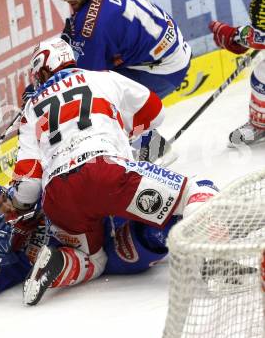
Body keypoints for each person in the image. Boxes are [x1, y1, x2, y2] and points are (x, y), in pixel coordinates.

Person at [11, 37, 217, 306]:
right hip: (105, 171)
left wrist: (19, 206)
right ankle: (213, 257)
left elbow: (27, 187)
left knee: (94, 261)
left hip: (58, 197)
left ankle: (58, 263)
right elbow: (155, 112)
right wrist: (120, 133)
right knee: (198, 190)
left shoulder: (30, 109)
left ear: (42, 69)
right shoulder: (102, 78)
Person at [52, 0, 192, 163]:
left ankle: (153, 147)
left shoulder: (96, 26)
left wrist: (51, 81)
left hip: (163, 68)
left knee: (100, 103)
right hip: (165, 48)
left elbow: (87, 81)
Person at [0, 181, 197, 300]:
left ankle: (215, 227)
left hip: (105, 219)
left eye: (3, 198)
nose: (6, 206)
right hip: (103, 254)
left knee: (169, 210)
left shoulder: (26, 194)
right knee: (154, 234)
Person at [209, 0, 265, 145]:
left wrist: (234, 35)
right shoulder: (260, 0)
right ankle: (260, 124)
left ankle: (260, 125)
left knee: (262, 76)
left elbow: (261, 37)